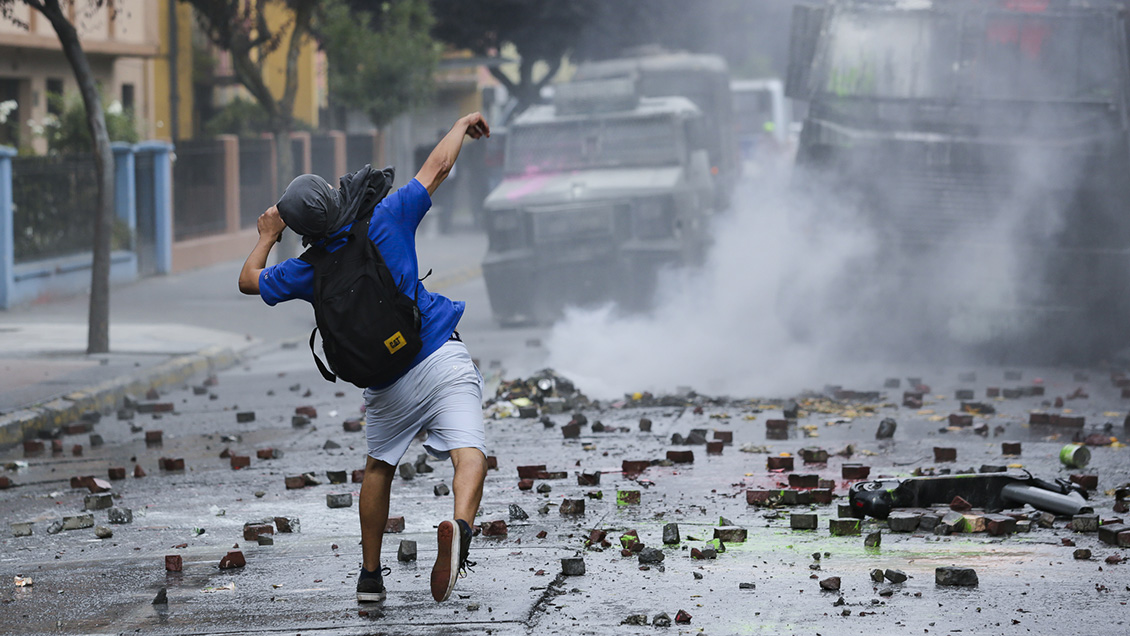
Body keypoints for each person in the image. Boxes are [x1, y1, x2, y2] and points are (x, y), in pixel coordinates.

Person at [238, 113, 491, 604]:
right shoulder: (387, 217)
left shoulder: (305, 270)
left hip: (386, 385)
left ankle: (370, 577)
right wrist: (461, 125)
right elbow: (438, 167)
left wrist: (268, 234)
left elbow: (249, 280)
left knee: (379, 468)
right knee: (469, 450)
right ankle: (460, 525)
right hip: (438, 354)